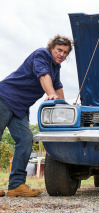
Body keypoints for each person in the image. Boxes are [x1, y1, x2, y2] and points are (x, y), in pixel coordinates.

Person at [0, 35, 73, 197]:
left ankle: (16, 186)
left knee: (25, 140)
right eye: (59, 50)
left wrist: (66, 109)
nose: (62, 54)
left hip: (20, 107)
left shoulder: (56, 67)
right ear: (51, 48)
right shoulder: (42, 55)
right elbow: (43, 76)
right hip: (4, 98)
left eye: (65, 53)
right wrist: (51, 94)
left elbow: (58, 87)